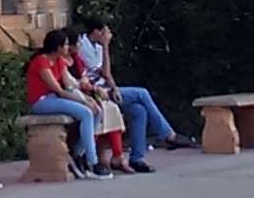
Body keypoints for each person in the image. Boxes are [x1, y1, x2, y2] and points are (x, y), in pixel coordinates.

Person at [74, 16, 188, 171]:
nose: (109, 34)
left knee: (138, 110)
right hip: (95, 92)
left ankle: (137, 158)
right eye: (105, 31)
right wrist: (106, 46)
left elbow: (107, 74)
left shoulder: (98, 46)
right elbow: (103, 71)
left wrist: (114, 88)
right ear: (96, 32)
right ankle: (167, 134)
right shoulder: (84, 46)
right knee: (142, 93)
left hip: (107, 89)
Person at [24, 27, 109, 179]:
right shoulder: (42, 62)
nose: (67, 47)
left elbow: (69, 84)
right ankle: (92, 162)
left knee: (96, 112)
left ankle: (78, 153)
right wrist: (84, 103)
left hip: (55, 98)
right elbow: (59, 90)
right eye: (65, 45)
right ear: (58, 47)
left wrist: (87, 98)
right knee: (86, 113)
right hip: (42, 101)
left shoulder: (59, 61)